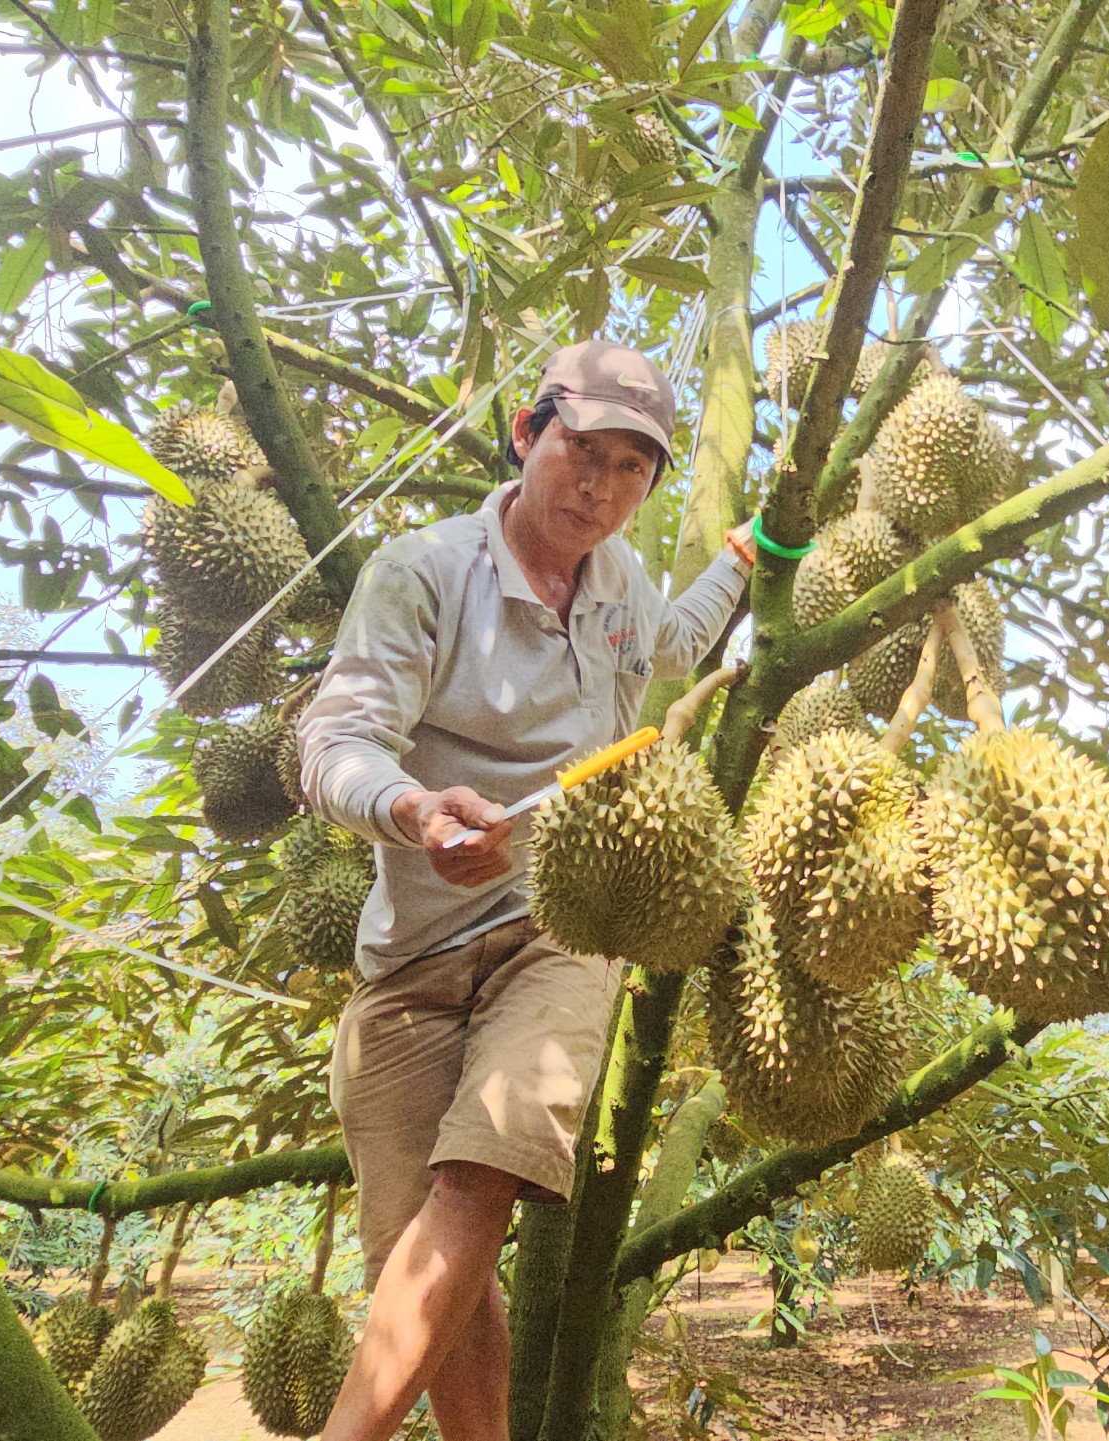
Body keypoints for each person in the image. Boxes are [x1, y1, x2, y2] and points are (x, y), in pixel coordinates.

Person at [295, 339, 756, 1441]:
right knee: (433, 1254)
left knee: (480, 1176)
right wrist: (411, 809)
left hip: (563, 923)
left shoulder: (621, 587)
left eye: (629, 470)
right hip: (409, 953)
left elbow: (672, 646)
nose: (597, 488)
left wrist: (743, 557)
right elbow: (335, 740)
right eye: (579, 452)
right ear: (526, 432)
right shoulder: (424, 570)